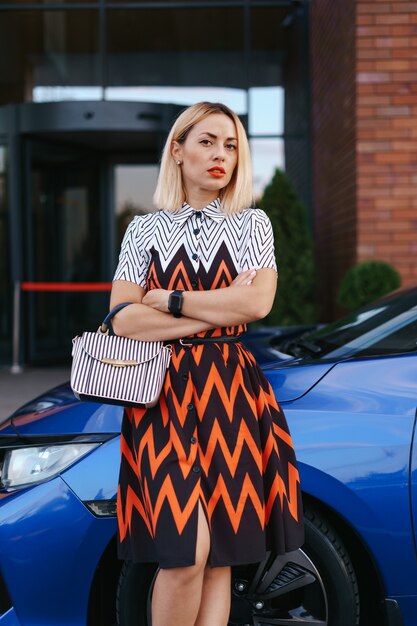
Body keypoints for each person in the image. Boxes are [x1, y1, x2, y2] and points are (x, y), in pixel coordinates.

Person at [110, 101, 304, 626]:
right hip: (161, 398)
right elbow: (123, 321)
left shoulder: (252, 223)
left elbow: (257, 305)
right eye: (207, 141)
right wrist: (219, 310)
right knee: (185, 552)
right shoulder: (143, 231)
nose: (222, 155)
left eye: (232, 145)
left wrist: (168, 300)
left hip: (232, 395)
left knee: (221, 556)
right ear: (177, 150)